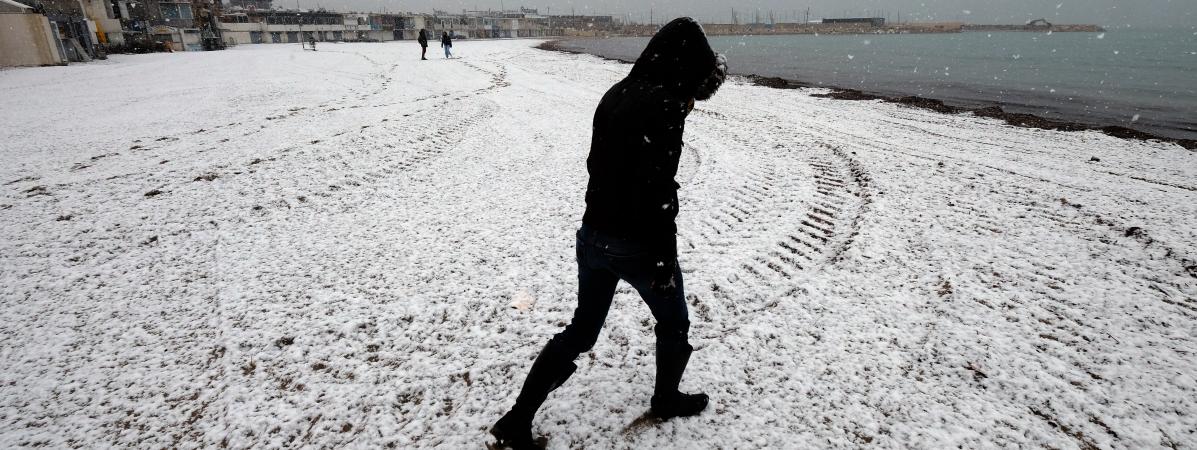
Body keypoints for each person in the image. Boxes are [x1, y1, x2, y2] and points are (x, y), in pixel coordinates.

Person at [490, 17, 727, 450]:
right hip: (635, 244)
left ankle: (517, 419)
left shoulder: (616, 93)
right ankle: (666, 397)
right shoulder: (665, 105)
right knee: (674, 322)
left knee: (581, 331)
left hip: (593, 235)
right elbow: (657, 192)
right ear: (684, 66)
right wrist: (661, 261)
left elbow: (601, 166)